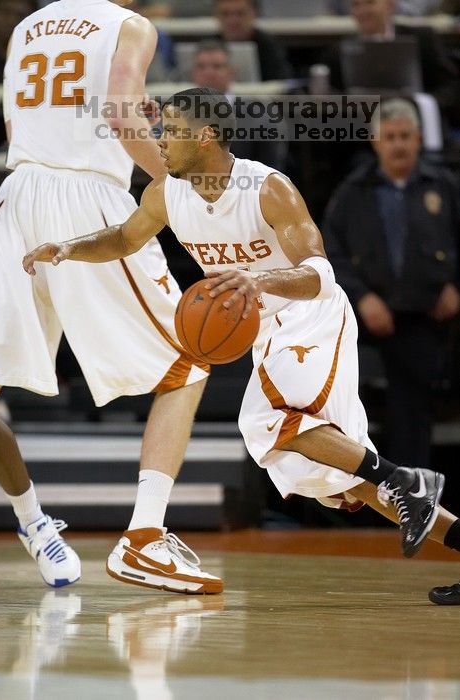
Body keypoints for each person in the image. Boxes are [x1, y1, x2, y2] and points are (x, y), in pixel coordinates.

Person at [24, 87, 460, 574]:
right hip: (264, 330)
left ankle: (404, 480)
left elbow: (322, 274)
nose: (161, 142)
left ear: (206, 136)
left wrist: (259, 280)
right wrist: (67, 247)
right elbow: (125, 237)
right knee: (327, 472)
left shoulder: (268, 189)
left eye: (172, 132)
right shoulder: (165, 193)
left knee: (265, 422)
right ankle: (414, 494)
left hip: (309, 316)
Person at [0, 0, 222, 594]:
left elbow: (24, 127)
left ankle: (31, 520)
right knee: (189, 361)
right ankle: (144, 540)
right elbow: (121, 116)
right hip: (84, 197)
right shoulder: (130, 25)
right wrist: (188, 188)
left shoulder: (25, 27)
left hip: (14, 196)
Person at [322, 98, 460, 469]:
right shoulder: (352, 192)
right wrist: (363, 297)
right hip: (363, 317)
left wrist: (454, 285)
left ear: (418, 139)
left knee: (412, 397)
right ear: (375, 142)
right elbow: (329, 252)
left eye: (405, 136)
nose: (398, 144)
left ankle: (412, 485)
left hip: (425, 314)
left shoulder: (445, 186)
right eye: (390, 137)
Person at [323, 0, 459, 124]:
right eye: (356, 5)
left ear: (390, 5)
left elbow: (451, 86)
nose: (363, 11)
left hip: (418, 125)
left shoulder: (422, 40)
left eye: (370, 3)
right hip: (364, 132)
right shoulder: (339, 51)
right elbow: (333, 97)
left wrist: (424, 105)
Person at [190, 41, 288, 171]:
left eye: (217, 66)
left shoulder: (260, 117)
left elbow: (271, 169)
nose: (209, 73)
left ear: (231, 72)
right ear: (193, 73)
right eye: (201, 67)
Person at [213, 0, 292, 81]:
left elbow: (282, 82)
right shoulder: (209, 45)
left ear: (254, 14)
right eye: (225, 14)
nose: (233, 20)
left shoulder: (270, 46)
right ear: (216, 16)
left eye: (240, 13)